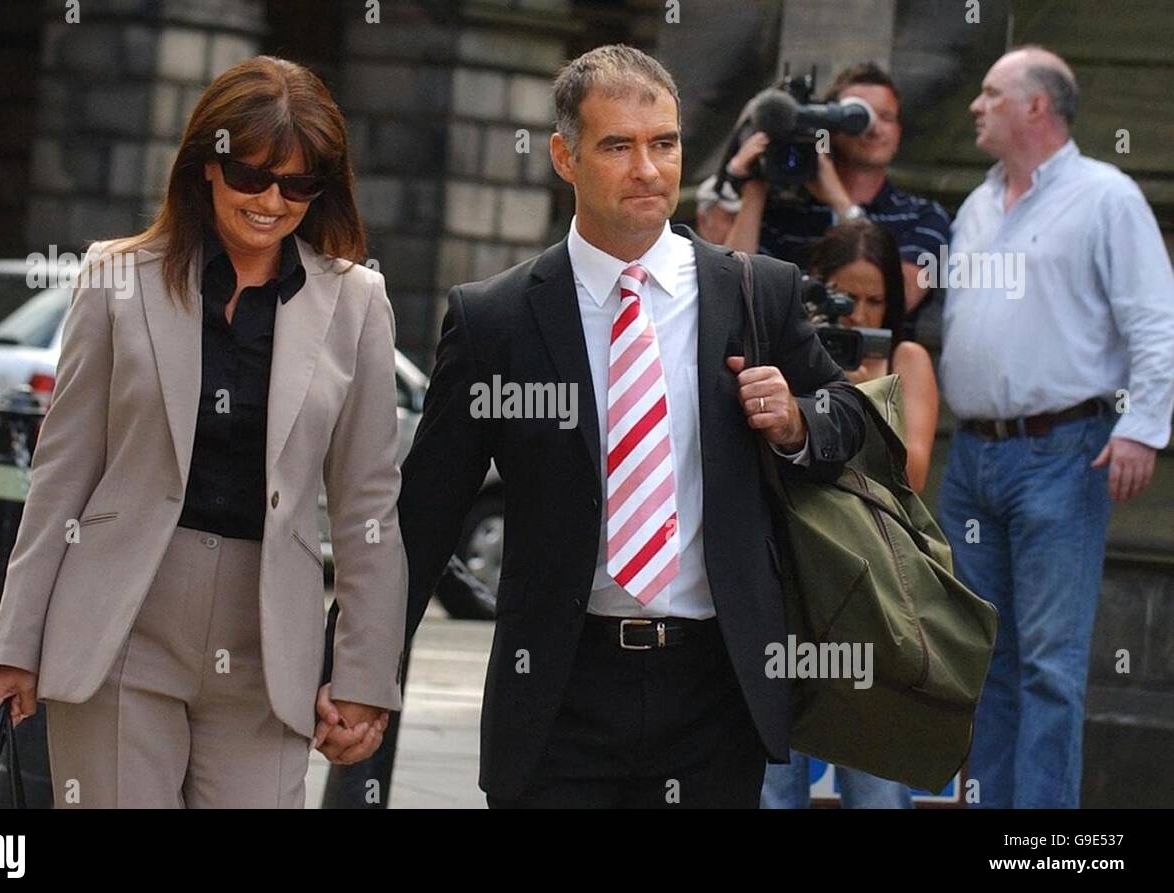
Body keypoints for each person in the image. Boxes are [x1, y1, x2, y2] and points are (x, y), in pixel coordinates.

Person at [383, 44, 865, 809]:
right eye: (618, 146)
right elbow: (427, 511)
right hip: (558, 693)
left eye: (664, 144)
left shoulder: (756, 293)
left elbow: (853, 424)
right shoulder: (496, 319)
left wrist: (798, 422)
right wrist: (355, 665)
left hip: (715, 690)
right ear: (564, 157)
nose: (647, 169)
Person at [0, 56, 408, 808]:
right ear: (204, 167)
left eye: (299, 184)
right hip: (119, 624)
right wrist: (15, 646)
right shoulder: (117, 278)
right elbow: (62, 474)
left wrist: (367, 677)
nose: (272, 200)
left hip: (268, 642)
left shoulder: (357, 303)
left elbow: (367, 503)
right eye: (251, 176)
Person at [937, 46, 1174, 808]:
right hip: (972, 459)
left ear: (1036, 107)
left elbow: (1156, 322)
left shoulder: (1106, 198)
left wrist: (1143, 427)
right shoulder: (976, 203)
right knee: (984, 659)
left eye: (989, 92)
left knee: (1049, 664)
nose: (975, 106)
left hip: (1063, 454)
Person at [760, 218, 938, 809]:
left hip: (873, 600)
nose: (857, 315)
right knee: (773, 784)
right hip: (789, 589)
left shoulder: (906, 360)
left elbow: (910, 477)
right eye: (845, 298)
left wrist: (859, 397)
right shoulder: (787, 354)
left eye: (874, 300)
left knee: (877, 789)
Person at [722, 63, 951, 326]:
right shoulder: (785, 210)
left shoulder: (923, 216)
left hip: (877, 363)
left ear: (900, 131)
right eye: (859, 118)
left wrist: (841, 205)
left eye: (886, 118)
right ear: (829, 125)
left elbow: (903, 298)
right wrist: (755, 187)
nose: (874, 129)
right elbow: (732, 291)